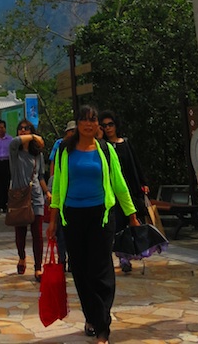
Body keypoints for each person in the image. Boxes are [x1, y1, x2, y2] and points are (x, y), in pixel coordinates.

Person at [47, 105, 138, 344]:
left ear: (97, 124)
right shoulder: (65, 150)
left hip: (102, 215)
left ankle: (102, 326)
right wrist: (53, 219)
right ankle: (92, 316)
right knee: (80, 269)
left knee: (101, 270)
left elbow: (119, 183)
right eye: (84, 120)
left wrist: (131, 213)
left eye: (93, 120)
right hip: (73, 217)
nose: (89, 124)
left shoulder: (106, 150)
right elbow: (57, 188)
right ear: (77, 124)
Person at [99, 110, 149, 273]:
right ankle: (123, 257)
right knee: (118, 225)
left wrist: (143, 183)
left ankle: (135, 251)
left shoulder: (125, 143)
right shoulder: (102, 147)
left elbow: (135, 164)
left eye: (110, 124)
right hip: (112, 192)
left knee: (132, 222)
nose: (108, 128)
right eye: (104, 125)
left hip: (130, 189)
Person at [9, 119, 50, 282]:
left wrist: (46, 192)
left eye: (27, 129)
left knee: (37, 234)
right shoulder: (14, 151)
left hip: (35, 195)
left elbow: (40, 176)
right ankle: (21, 257)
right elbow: (15, 141)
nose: (23, 131)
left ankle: (38, 267)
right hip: (19, 196)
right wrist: (34, 136)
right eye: (21, 129)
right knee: (20, 232)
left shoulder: (37, 154)